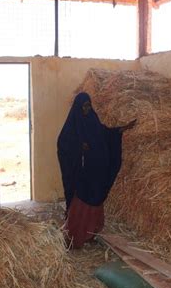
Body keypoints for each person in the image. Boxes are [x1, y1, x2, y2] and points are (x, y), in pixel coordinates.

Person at [57, 92, 136, 249]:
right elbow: (63, 144)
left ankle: (90, 234)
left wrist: (122, 129)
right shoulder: (72, 126)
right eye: (84, 106)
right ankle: (74, 237)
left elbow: (105, 133)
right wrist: (79, 147)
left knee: (96, 200)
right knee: (80, 206)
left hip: (95, 172)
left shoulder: (93, 120)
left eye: (89, 105)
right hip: (81, 175)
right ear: (78, 107)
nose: (87, 109)